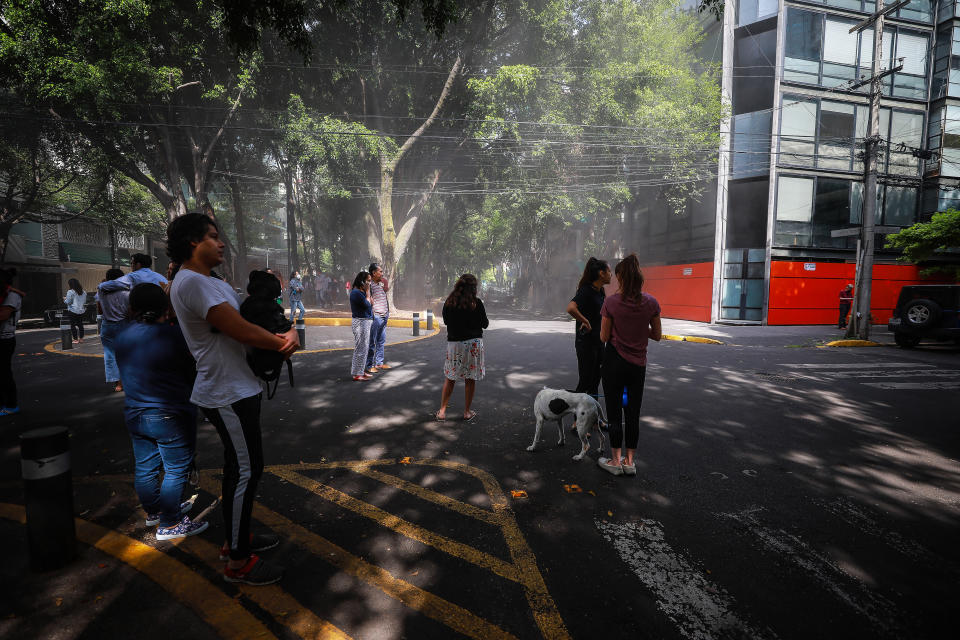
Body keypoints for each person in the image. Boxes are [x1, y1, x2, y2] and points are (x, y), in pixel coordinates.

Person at [168, 213, 298, 586]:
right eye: (213, 236)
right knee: (246, 470)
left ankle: (234, 539)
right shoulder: (192, 282)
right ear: (194, 242)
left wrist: (282, 327)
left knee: (240, 469)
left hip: (239, 386)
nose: (221, 242)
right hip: (225, 392)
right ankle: (239, 562)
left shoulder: (210, 281)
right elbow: (237, 328)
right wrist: (283, 342)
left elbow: (251, 318)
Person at [114, 283, 205, 540]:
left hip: (135, 412)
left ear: (132, 308)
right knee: (176, 469)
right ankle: (171, 522)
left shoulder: (122, 336)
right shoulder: (172, 335)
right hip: (169, 413)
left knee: (145, 467)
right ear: (166, 308)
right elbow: (190, 369)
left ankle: (155, 511)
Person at [598, 254, 661, 477]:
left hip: (614, 363)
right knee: (632, 413)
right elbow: (657, 335)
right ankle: (630, 461)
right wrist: (638, 328)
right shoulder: (651, 303)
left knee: (615, 413)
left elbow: (604, 336)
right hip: (637, 366)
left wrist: (621, 329)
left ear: (621, 278)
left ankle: (615, 461)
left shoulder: (611, 302)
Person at [436, 274, 488, 421]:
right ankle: (466, 412)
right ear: (473, 288)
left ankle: (442, 412)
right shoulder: (477, 303)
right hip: (473, 344)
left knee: (450, 377)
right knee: (470, 378)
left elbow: (446, 321)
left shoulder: (450, 302)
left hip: (455, 344)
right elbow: (485, 324)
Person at [566, 258, 611, 397]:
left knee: (595, 382)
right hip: (586, 344)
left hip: (599, 343)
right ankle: (577, 418)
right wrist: (585, 321)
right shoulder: (586, 290)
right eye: (609, 271)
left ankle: (593, 417)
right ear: (601, 273)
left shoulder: (600, 291)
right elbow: (570, 308)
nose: (611, 274)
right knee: (585, 381)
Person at [98, 268, 130, 393]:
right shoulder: (127, 292)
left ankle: (117, 383)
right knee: (125, 354)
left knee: (110, 355)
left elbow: (100, 310)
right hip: (123, 324)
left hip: (107, 325)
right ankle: (124, 381)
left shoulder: (101, 290)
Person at [0, 268, 22, 417]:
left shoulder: (12, 296)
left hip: (5, 339)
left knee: (4, 372)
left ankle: (11, 404)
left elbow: (3, 315)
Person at [365, 263, 391, 374]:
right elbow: (367, 301)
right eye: (380, 271)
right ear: (374, 273)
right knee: (372, 341)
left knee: (381, 340)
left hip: (384, 316)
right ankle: (369, 365)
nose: (382, 273)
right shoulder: (369, 285)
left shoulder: (380, 285)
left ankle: (379, 363)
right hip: (376, 317)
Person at [350, 271, 374, 381]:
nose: (370, 282)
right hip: (360, 322)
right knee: (360, 347)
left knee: (364, 348)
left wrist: (368, 294)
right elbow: (368, 304)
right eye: (368, 280)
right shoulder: (356, 293)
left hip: (365, 321)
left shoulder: (361, 292)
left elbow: (371, 303)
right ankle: (356, 374)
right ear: (362, 281)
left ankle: (361, 371)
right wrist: (368, 292)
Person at [64, 278, 88, 344]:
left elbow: (68, 302)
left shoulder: (70, 291)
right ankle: (81, 339)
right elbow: (84, 301)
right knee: (80, 324)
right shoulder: (83, 292)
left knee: (73, 325)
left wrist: (65, 299)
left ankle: (75, 339)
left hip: (72, 310)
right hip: (81, 310)